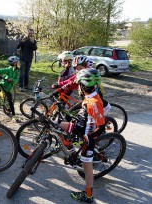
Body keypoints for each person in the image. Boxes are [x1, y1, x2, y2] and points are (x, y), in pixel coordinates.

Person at [59, 68, 105, 203]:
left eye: (79, 85)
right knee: (57, 124)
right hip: (81, 126)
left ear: (83, 86)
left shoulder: (94, 102)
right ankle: (72, 153)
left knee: (87, 165)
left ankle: (88, 195)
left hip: (87, 137)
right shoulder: (91, 96)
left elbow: (101, 127)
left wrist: (89, 139)